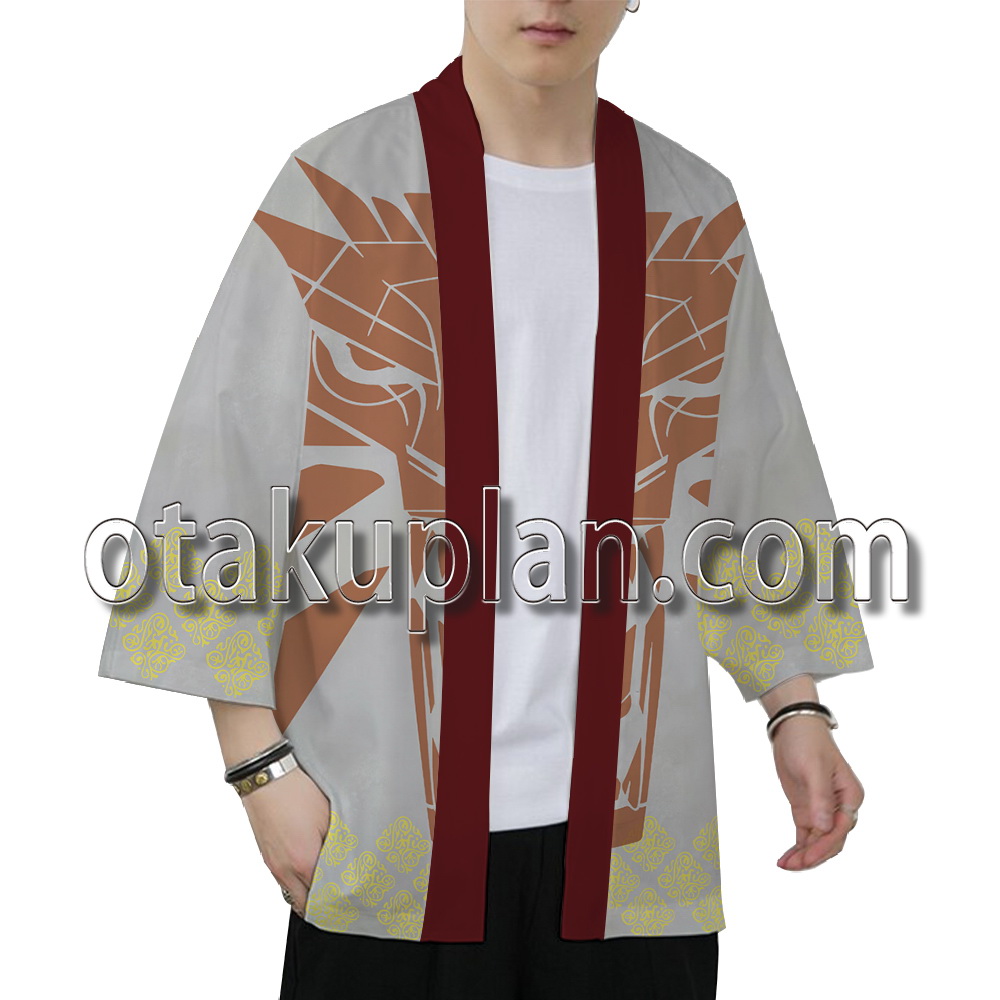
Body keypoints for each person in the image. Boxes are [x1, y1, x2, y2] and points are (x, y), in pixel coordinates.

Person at [97, 2, 873, 998]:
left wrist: (795, 706)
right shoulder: (338, 192)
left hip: (632, 846)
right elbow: (219, 477)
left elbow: (753, 470)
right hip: (378, 825)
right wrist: (258, 768)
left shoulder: (693, 209)